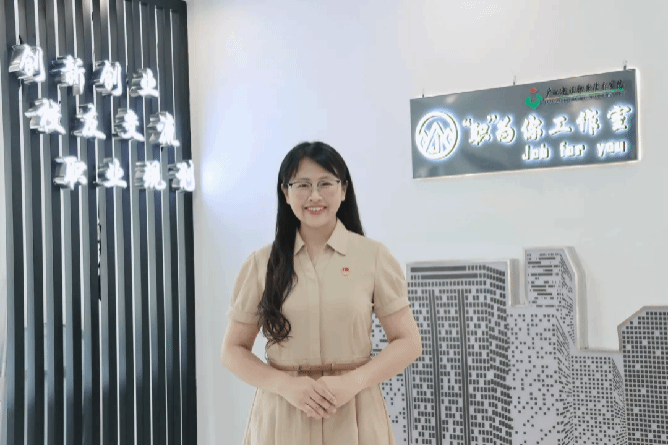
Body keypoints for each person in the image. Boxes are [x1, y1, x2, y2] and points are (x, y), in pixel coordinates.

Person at [220, 141, 421, 444]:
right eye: (302, 185)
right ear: (286, 192)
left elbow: (408, 342)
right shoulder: (261, 263)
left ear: (343, 190)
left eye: (325, 183)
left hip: (355, 411)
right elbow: (232, 350)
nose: (314, 196)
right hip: (282, 415)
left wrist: (353, 382)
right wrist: (285, 385)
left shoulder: (373, 257)